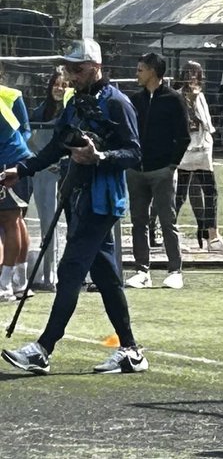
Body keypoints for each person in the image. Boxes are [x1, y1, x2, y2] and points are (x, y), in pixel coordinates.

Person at [0, 38, 148, 375]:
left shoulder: (117, 103)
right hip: (79, 196)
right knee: (106, 276)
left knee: (70, 270)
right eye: (68, 68)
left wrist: (101, 157)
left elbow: (135, 153)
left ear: (96, 67)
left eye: (77, 69)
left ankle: (43, 349)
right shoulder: (76, 102)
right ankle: (131, 351)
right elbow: (56, 146)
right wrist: (21, 170)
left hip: (102, 201)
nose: (71, 75)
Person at [126, 53, 190, 290]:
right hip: (136, 171)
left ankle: (175, 270)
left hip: (162, 171)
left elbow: (183, 136)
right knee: (138, 221)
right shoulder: (135, 100)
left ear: (152, 71)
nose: (137, 74)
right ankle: (142, 271)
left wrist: (171, 165)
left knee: (167, 221)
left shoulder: (174, 99)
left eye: (140, 69)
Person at [174, 61, 223, 253]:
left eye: (196, 73)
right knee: (183, 194)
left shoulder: (198, 95)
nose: (193, 77)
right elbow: (193, 124)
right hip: (190, 152)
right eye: (190, 73)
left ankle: (211, 236)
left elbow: (205, 124)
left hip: (199, 152)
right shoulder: (180, 96)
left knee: (203, 192)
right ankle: (174, 235)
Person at [27, 68, 68, 292]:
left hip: (64, 175)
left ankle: (59, 273)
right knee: (45, 223)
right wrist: (42, 160)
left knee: (61, 223)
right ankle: (45, 272)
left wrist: (61, 161)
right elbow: (29, 139)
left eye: (64, 85)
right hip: (43, 176)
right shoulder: (39, 112)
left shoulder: (72, 111)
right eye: (56, 84)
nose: (59, 89)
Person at [0, 64, 32, 301]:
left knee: (10, 219)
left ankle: (5, 285)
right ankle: (20, 283)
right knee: (16, 220)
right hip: (15, 162)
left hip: (11, 164)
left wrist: (14, 160)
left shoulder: (11, 95)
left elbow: (23, 129)